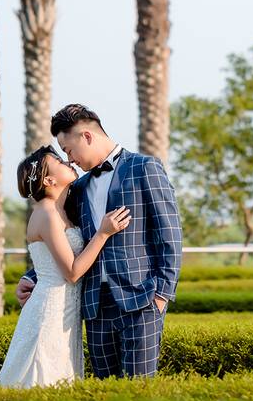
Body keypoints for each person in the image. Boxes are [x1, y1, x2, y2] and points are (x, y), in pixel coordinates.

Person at [15, 104, 182, 379]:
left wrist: (161, 296)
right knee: (104, 390)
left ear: (87, 137)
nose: (69, 160)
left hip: (141, 301)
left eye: (69, 150)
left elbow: (170, 236)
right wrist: (33, 276)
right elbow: (67, 240)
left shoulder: (145, 168)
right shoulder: (77, 188)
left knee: (139, 389)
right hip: (94, 306)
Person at [0, 145, 130, 388]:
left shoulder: (62, 210)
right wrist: (103, 233)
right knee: (42, 377)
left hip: (67, 310)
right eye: (58, 161)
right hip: (51, 311)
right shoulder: (47, 213)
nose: (67, 161)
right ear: (49, 180)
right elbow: (72, 272)